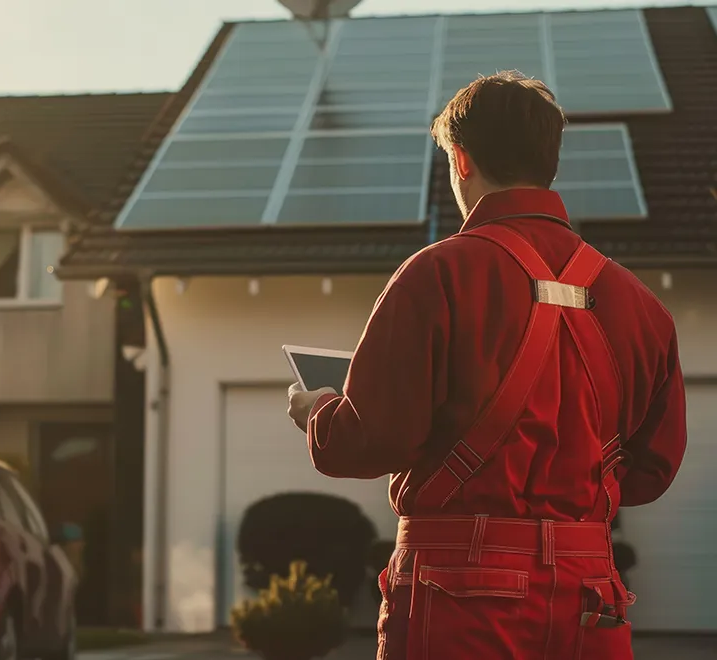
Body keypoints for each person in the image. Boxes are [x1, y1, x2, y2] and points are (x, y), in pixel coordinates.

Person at [287, 71, 687, 660]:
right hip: (589, 594)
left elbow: (372, 441)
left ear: (461, 158)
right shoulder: (641, 305)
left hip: (459, 595)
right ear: (549, 161)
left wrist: (317, 410)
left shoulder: (437, 274)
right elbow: (651, 470)